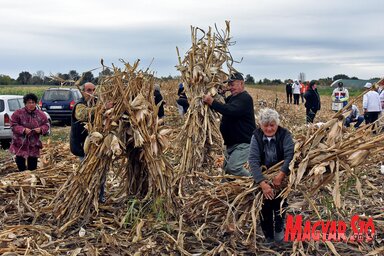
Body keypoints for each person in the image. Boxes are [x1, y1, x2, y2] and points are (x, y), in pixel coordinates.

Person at [248, 108, 294, 244]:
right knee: (264, 207)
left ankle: (279, 230)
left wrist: (281, 174)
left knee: (280, 204)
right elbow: (253, 160)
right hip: (263, 176)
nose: (269, 128)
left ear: (277, 124)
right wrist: (262, 183)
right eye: (265, 125)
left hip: (282, 176)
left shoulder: (285, 134)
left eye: (272, 125)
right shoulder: (256, 136)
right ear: (261, 125)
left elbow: (290, 155)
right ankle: (268, 236)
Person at [202, 72, 256, 177]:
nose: (230, 87)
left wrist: (212, 101)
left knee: (234, 168)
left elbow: (230, 110)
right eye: (229, 85)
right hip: (231, 144)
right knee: (226, 171)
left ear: (241, 83)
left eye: (233, 84)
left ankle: (255, 182)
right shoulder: (232, 98)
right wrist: (219, 94)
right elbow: (222, 104)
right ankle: (224, 191)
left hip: (243, 143)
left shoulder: (245, 98)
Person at [70, 82, 111, 203]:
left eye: (93, 90)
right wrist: (102, 108)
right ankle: (85, 197)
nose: (91, 93)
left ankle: (100, 196)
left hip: (98, 146)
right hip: (83, 146)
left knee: (101, 172)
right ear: (82, 91)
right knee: (87, 172)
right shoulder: (79, 105)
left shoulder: (97, 103)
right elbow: (83, 115)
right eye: (88, 90)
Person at [9, 93, 50, 171]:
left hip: (34, 145)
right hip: (20, 144)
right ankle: (22, 179)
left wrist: (41, 129)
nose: (31, 104)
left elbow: (46, 125)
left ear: (35, 103)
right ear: (25, 103)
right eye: (29, 103)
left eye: (33, 102)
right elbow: (13, 125)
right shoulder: (18, 113)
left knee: (32, 167)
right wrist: (23, 130)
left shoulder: (41, 114)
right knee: (21, 166)